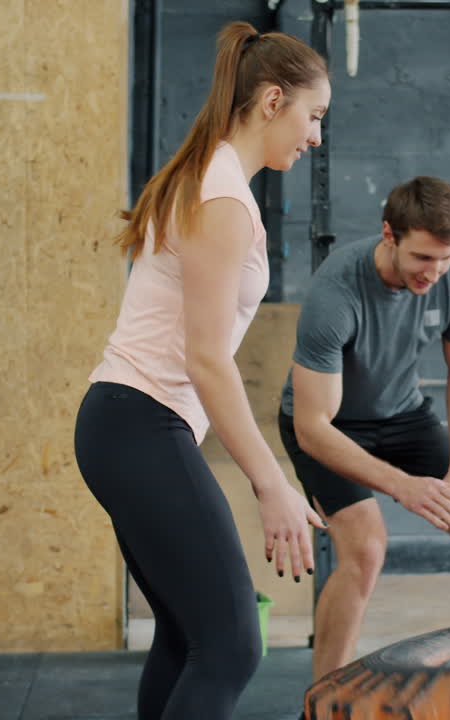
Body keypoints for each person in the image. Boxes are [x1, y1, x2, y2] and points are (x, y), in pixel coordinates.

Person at [73, 20, 330, 720]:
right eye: (313, 116)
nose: (315, 136)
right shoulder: (222, 201)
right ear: (272, 101)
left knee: (189, 638)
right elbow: (208, 361)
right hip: (138, 425)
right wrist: (271, 485)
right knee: (230, 647)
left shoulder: (211, 179)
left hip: (126, 425)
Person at [278, 176, 450, 683]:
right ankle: (324, 701)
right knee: (365, 550)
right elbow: (313, 428)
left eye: (445, 258)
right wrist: (403, 486)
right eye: (422, 258)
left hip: (403, 414)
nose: (433, 273)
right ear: (389, 235)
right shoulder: (336, 292)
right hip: (329, 426)